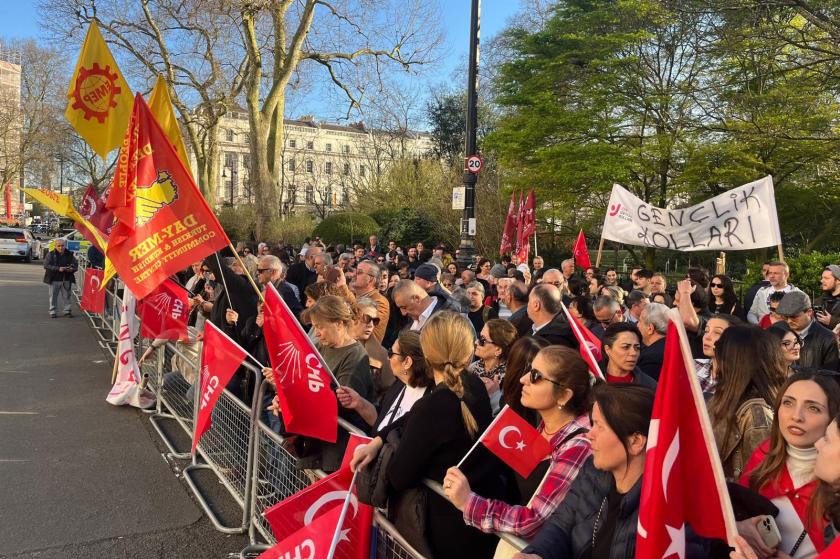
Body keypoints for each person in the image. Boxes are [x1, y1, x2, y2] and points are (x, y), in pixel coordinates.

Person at [352, 311, 497, 559]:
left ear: (428, 351)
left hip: (441, 532)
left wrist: (392, 446)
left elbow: (399, 476)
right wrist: (379, 440)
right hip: (472, 523)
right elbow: (408, 419)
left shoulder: (434, 405)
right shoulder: (473, 386)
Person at [443, 346, 593, 541]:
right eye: (529, 371)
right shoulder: (546, 426)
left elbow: (533, 521)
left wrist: (469, 502)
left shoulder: (577, 446)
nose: (523, 379)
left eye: (536, 376)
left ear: (564, 395)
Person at [513, 384, 661, 559]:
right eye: (592, 423)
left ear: (635, 442)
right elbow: (561, 525)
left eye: (599, 426)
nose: (589, 434)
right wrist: (537, 554)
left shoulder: (663, 513)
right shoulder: (593, 471)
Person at [738, 372, 840, 558]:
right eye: (788, 403)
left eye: (813, 408)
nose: (796, 416)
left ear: (832, 418)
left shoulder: (833, 477)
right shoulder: (763, 454)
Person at [296, 296, 373, 472]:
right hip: (318, 443)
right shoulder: (323, 347)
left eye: (320, 327)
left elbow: (343, 404)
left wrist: (301, 403)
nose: (316, 333)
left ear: (338, 324)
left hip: (337, 450)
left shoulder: (356, 355)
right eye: (314, 327)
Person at [709, 326, 787, 480]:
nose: (714, 359)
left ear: (733, 361)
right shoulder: (721, 398)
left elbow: (759, 481)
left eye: (718, 351)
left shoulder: (757, 415)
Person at [336, 330, 430, 432]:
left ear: (407, 362)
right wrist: (358, 402)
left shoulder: (427, 400)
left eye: (391, 353)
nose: (387, 358)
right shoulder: (398, 385)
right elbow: (380, 420)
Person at [776, 292, 840, 372]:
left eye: (794, 316)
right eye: (785, 316)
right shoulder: (778, 331)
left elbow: (831, 375)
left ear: (809, 312)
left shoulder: (828, 338)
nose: (789, 321)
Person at [469, 319, 518, 414]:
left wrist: (494, 395)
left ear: (498, 350)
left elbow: (506, 416)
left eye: (482, 340)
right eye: (479, 336)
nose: (476, 342)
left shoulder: (510, 378)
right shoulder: (472, 368)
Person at [351, 298, 395, 405]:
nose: (371, 325)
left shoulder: (382, 355)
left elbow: (387, 391)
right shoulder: (335, 343)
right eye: (366, 318)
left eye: (375, 321)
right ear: (352, 318)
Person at [600, 322, 658, 389]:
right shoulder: (591, 380)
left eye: (637, 348)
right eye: (625, 347)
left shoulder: (650, 386)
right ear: (607, 349)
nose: (633, 353)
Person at [391, 279, 463, 332]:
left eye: (404, 307)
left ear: (417, 299)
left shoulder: (450, 319)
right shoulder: (410, 318)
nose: (403, 313)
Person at [350, 259, 390, 342]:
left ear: (371, 279)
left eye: (359, 272)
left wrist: (343, 288)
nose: (354, 275)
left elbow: (363, 328)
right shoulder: (354, 296)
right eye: (355, 271)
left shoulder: (381, 302)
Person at [43, 238, 78, 318]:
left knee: (67, 296)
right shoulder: (50, 254)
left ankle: (67, 311)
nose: (61, 247)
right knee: (53, 296)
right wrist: (58, 268)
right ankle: (53, 311)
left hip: (66, 278)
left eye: (62, 246)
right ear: (55, 246)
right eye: (58, 246)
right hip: (54, 278)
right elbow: (46, 265)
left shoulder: (70, 254)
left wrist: (71, 269)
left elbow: (75, 265)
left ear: (65, 246)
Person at [636, 302, 669, 381]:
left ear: (650, 328)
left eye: (640, 321)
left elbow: (645, 389)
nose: (637, 325)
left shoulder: (652, 357)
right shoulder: (673, 345)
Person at [815, 265, 840, 331]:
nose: (821, 281)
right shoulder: (819, 300)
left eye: (826, 278)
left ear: (838, 281)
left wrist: (831, 322)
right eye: (822, 278)